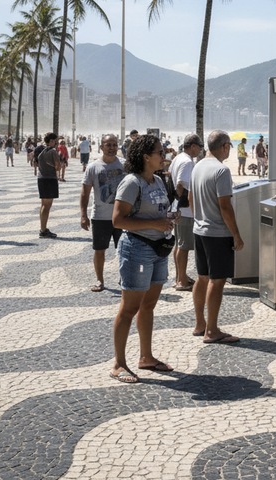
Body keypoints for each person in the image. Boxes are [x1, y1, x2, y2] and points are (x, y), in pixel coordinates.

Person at [110, 134, 177, 383]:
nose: (164, 156)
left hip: (158, 249)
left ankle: (146, 357)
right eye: (160, 152)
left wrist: (169, 218)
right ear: (146, 157)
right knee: (129, 308)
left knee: (148, 306)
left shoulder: (158, 180)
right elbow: (118, 220)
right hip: (137, 248)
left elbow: (157, 210)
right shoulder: (131, 182)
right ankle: (118, 363)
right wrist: (155, 223)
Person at [189, 130, 242, 344]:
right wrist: (236, 235)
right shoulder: (221, 171)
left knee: (202, 278)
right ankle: (212, 330)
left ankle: (200, 324)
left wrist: (198, 218)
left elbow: (191, 197)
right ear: (225, 146)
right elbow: (225, 206)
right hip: (218, 233)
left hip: (199, 229)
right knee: (217, 281)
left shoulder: (198, 166)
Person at [80, 134, 126, 292]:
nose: (112, 148)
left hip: (122, 217)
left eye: (115, 145)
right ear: (101, 147)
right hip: (100, 217)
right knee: (99, 250)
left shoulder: (125, 165)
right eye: (108, 145)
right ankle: (100, 280)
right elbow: (85, 193)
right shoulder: (93, 167)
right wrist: (83, 215)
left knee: (125, 249)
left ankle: (124, 277)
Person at [168, 134, 202, 291]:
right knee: (184, 246)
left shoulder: (178, 158)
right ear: (193, 146)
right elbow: (181, 185)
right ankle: (181, 281)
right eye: (200, 147)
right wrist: (183, 207)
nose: (200, 151)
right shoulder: (187, 162)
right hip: (185, 211)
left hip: (179, 209)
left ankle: (180, 277)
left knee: (179, 244)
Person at [36, 133, 62, 238]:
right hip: (50, 179)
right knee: (47, 206)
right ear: (51, 141)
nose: (56, 143)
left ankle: (43, 228)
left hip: (41, 178)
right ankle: (43, 231)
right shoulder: (53, 152)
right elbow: (58, 167)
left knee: (43, 205)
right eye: (55, 141)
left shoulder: (39, 150)